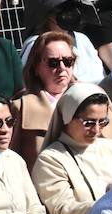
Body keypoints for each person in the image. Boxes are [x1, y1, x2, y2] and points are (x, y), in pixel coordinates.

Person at [33, 83, 112, 214]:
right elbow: (62, 210)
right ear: (67, 117)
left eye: (103, 122)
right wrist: (110, 206)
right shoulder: (51, 159)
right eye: (89, 122)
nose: (97, 129)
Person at [11, 31, 81, 165]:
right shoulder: (20, 107)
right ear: (36, 67)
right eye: (53, 62)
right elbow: (12, 159)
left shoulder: (90, 97)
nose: (62, 68)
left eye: (68, 61)